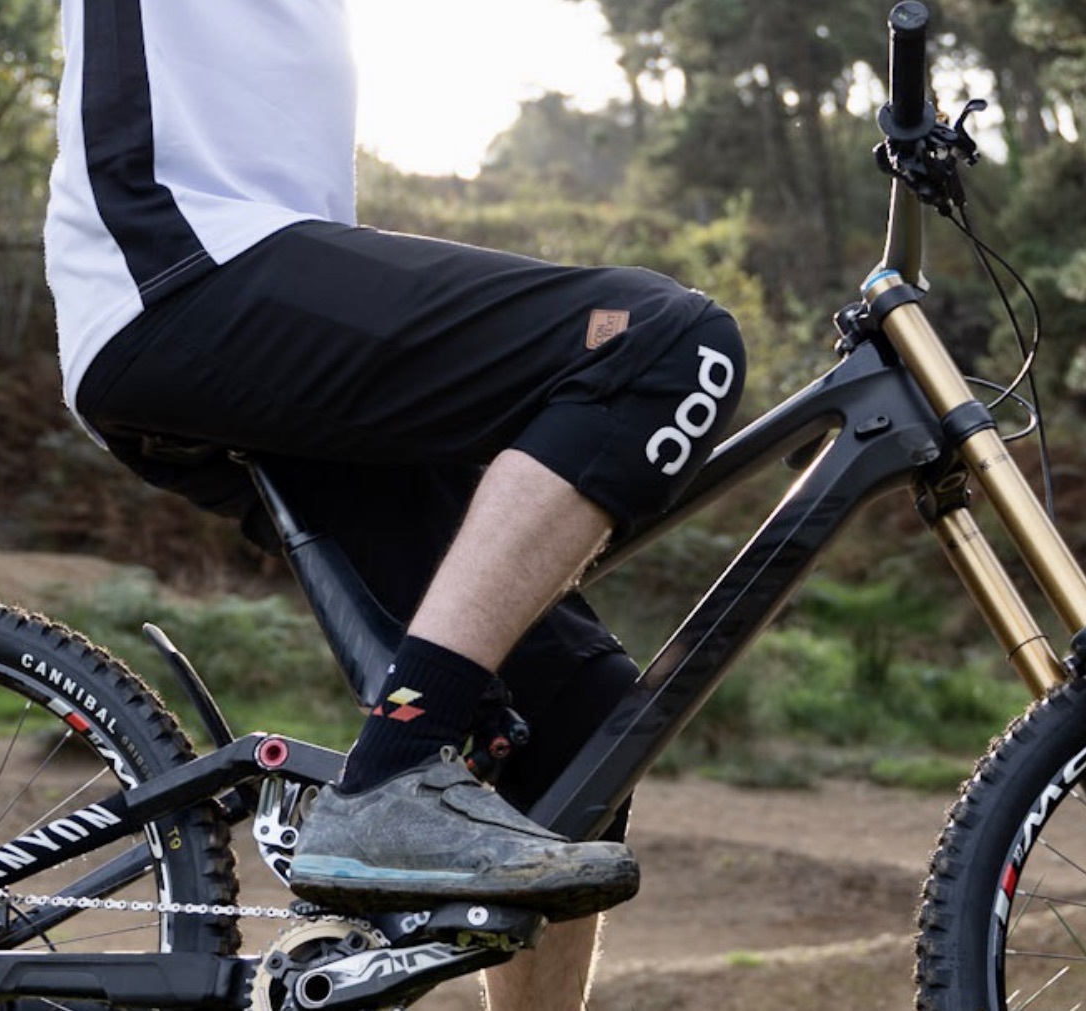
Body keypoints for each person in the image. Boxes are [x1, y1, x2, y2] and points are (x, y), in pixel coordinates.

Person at [43, 2, 746, 1007]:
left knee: (574, 719)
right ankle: (396, 766)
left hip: (267, 296)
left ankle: (412, 782)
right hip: (179, 266)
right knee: (665, 344)